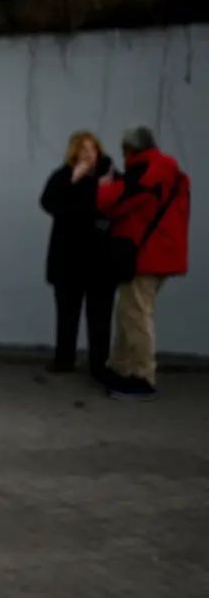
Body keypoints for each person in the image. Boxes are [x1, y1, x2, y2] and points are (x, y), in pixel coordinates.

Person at [96, 126, 190, 400]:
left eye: (124, 151)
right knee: (129, 311)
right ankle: (119, 367)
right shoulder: (166, 168)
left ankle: (143, 377)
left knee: (136, 314)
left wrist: (105, 187)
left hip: (146, 255)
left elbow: (116, 201)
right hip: (157, 252)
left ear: (130, 149)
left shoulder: (148, 168)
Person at [39, 131, 116, 381]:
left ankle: (99, 364)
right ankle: (64, 358)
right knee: (66, 312)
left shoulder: (110, 176)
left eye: (91, 149)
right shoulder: (64, 175)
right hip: (68, 258)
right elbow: (48, 202)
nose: (87, 155)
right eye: (81, 150)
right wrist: (72, 179)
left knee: (100, 315)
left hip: (100, 258)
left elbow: (121, 206)